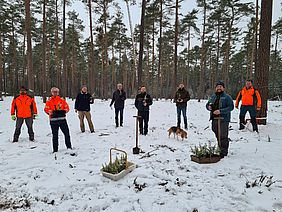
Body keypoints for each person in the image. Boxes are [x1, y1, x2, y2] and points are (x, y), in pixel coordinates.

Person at [206, 81, 234, 158]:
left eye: (220, 87)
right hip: (214, 118)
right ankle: (220, 147)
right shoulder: (212, 97)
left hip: (223, 119)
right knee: (216, 133)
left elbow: (231, 107)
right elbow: (208, 104)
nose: (219, 88)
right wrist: (209, 107)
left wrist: (220, 111)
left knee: (223, 135)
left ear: (223, 88)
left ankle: (223, 152)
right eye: (217, 87)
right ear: (215, 88)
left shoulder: (227, 97)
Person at [44, 87, 72, 153]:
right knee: (55, 135)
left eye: (56, 92)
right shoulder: (49, 101)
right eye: (53, 92)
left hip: (62, 120)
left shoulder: (62, 100)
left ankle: (69, 147)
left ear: (58, 92)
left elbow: (67, 108)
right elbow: (46, 109)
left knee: (66, 134)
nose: (55, 93)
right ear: (51, 92)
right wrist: (50, 112)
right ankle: (55, 150)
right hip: (53, 121)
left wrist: (64, 111)